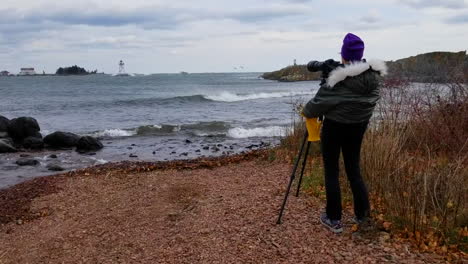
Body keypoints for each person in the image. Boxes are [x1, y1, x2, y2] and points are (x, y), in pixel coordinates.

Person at [302, 33, 387, 233]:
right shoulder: (374, 79)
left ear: (344, 56)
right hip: (358, 127)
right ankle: (363, 216)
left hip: (335, 128)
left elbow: (312, 109)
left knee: (331, 171)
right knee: (353, 170)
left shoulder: (337, 81)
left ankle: (333, 219)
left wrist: (327, 82)